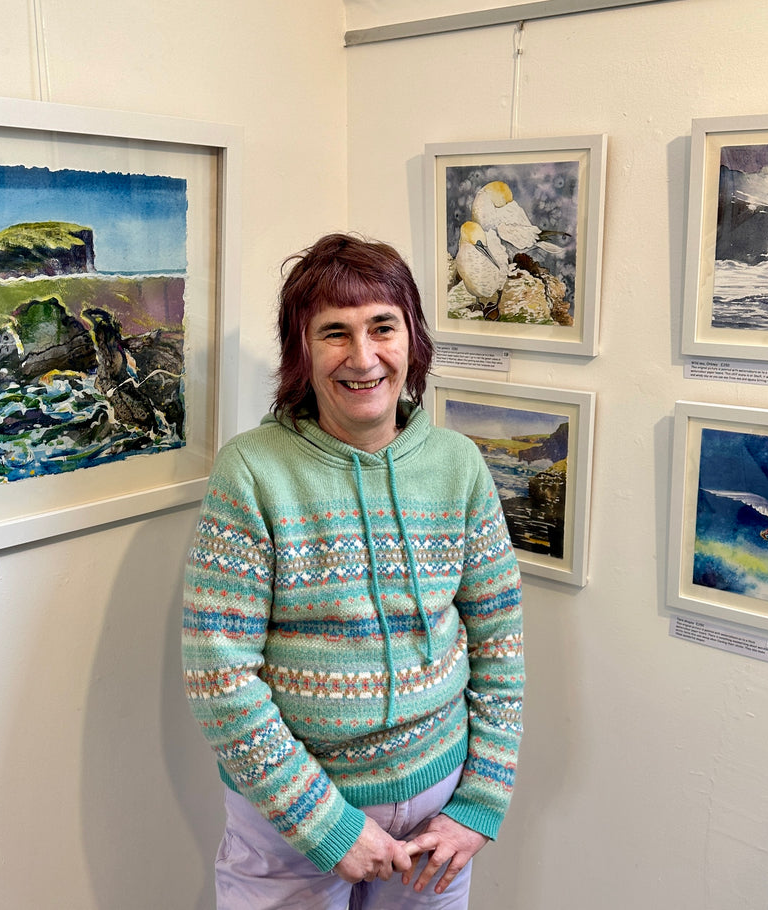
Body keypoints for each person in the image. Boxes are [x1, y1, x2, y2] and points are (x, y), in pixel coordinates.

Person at [182, 233, 524, 909]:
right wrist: (327, 826)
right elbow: (219, 674)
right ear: (301, 351)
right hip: (291, 826)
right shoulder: (252, 472)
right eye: (334, 332)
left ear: (412, 340)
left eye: (382, 327)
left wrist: (481, 800)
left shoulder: (458, 465)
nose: (363, 357)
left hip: (438, 818)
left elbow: (499, 643)